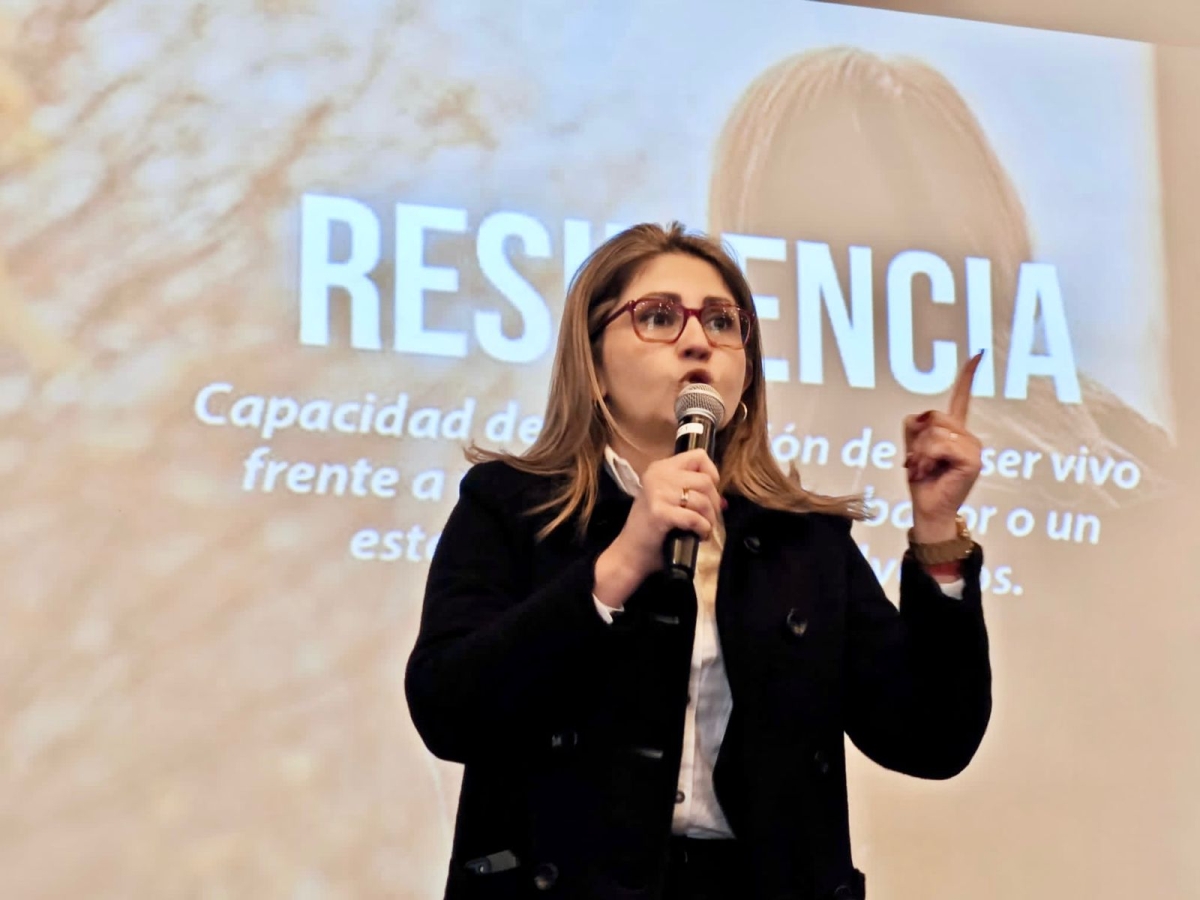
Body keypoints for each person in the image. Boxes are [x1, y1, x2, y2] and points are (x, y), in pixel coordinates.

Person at [405, 222, 991, 900]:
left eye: (721, 322)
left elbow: (930, 738)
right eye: (658, 317)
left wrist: (938, 529)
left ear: (745, 374)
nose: (696, 340)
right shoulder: (509, 507)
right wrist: (622, 560)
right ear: (592, 365)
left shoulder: (802, 539)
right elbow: (448, 709)